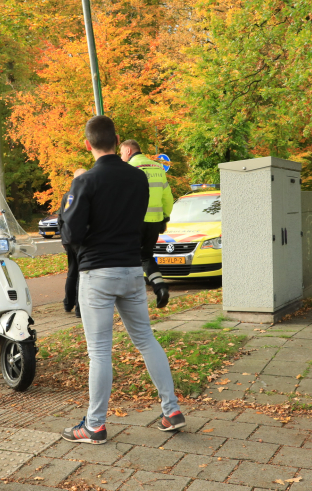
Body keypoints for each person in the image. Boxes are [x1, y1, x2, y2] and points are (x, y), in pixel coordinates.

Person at [60, 116, 184, 444]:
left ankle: (95, 426)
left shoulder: (85, 182)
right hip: (131, 269)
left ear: (88, 144)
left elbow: (71, 235)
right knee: (146, 340)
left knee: (100, 351)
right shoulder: (139, 178)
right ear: (117, 140)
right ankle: (171, 410)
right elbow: (145, 223)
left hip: (97, 273)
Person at [119, 140, 172, 308]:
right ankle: (160, 287)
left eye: (121, 153)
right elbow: (167, 197)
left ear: (128, 151)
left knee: (128, 257)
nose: (121, 157)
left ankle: (131, 298)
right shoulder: (158, 168)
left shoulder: (130, 168)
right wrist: (165, 217)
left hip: (136, 221)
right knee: (146, 256)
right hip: (155, 221)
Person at [57, 168, 87, 318]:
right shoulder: (85, 194)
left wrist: (63, 238)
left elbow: (60, 218)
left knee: (72, 270)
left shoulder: (66, 196)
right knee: (82, 272)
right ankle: (80, 308)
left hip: (68, 239)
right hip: (81, 239)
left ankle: (68, 303)